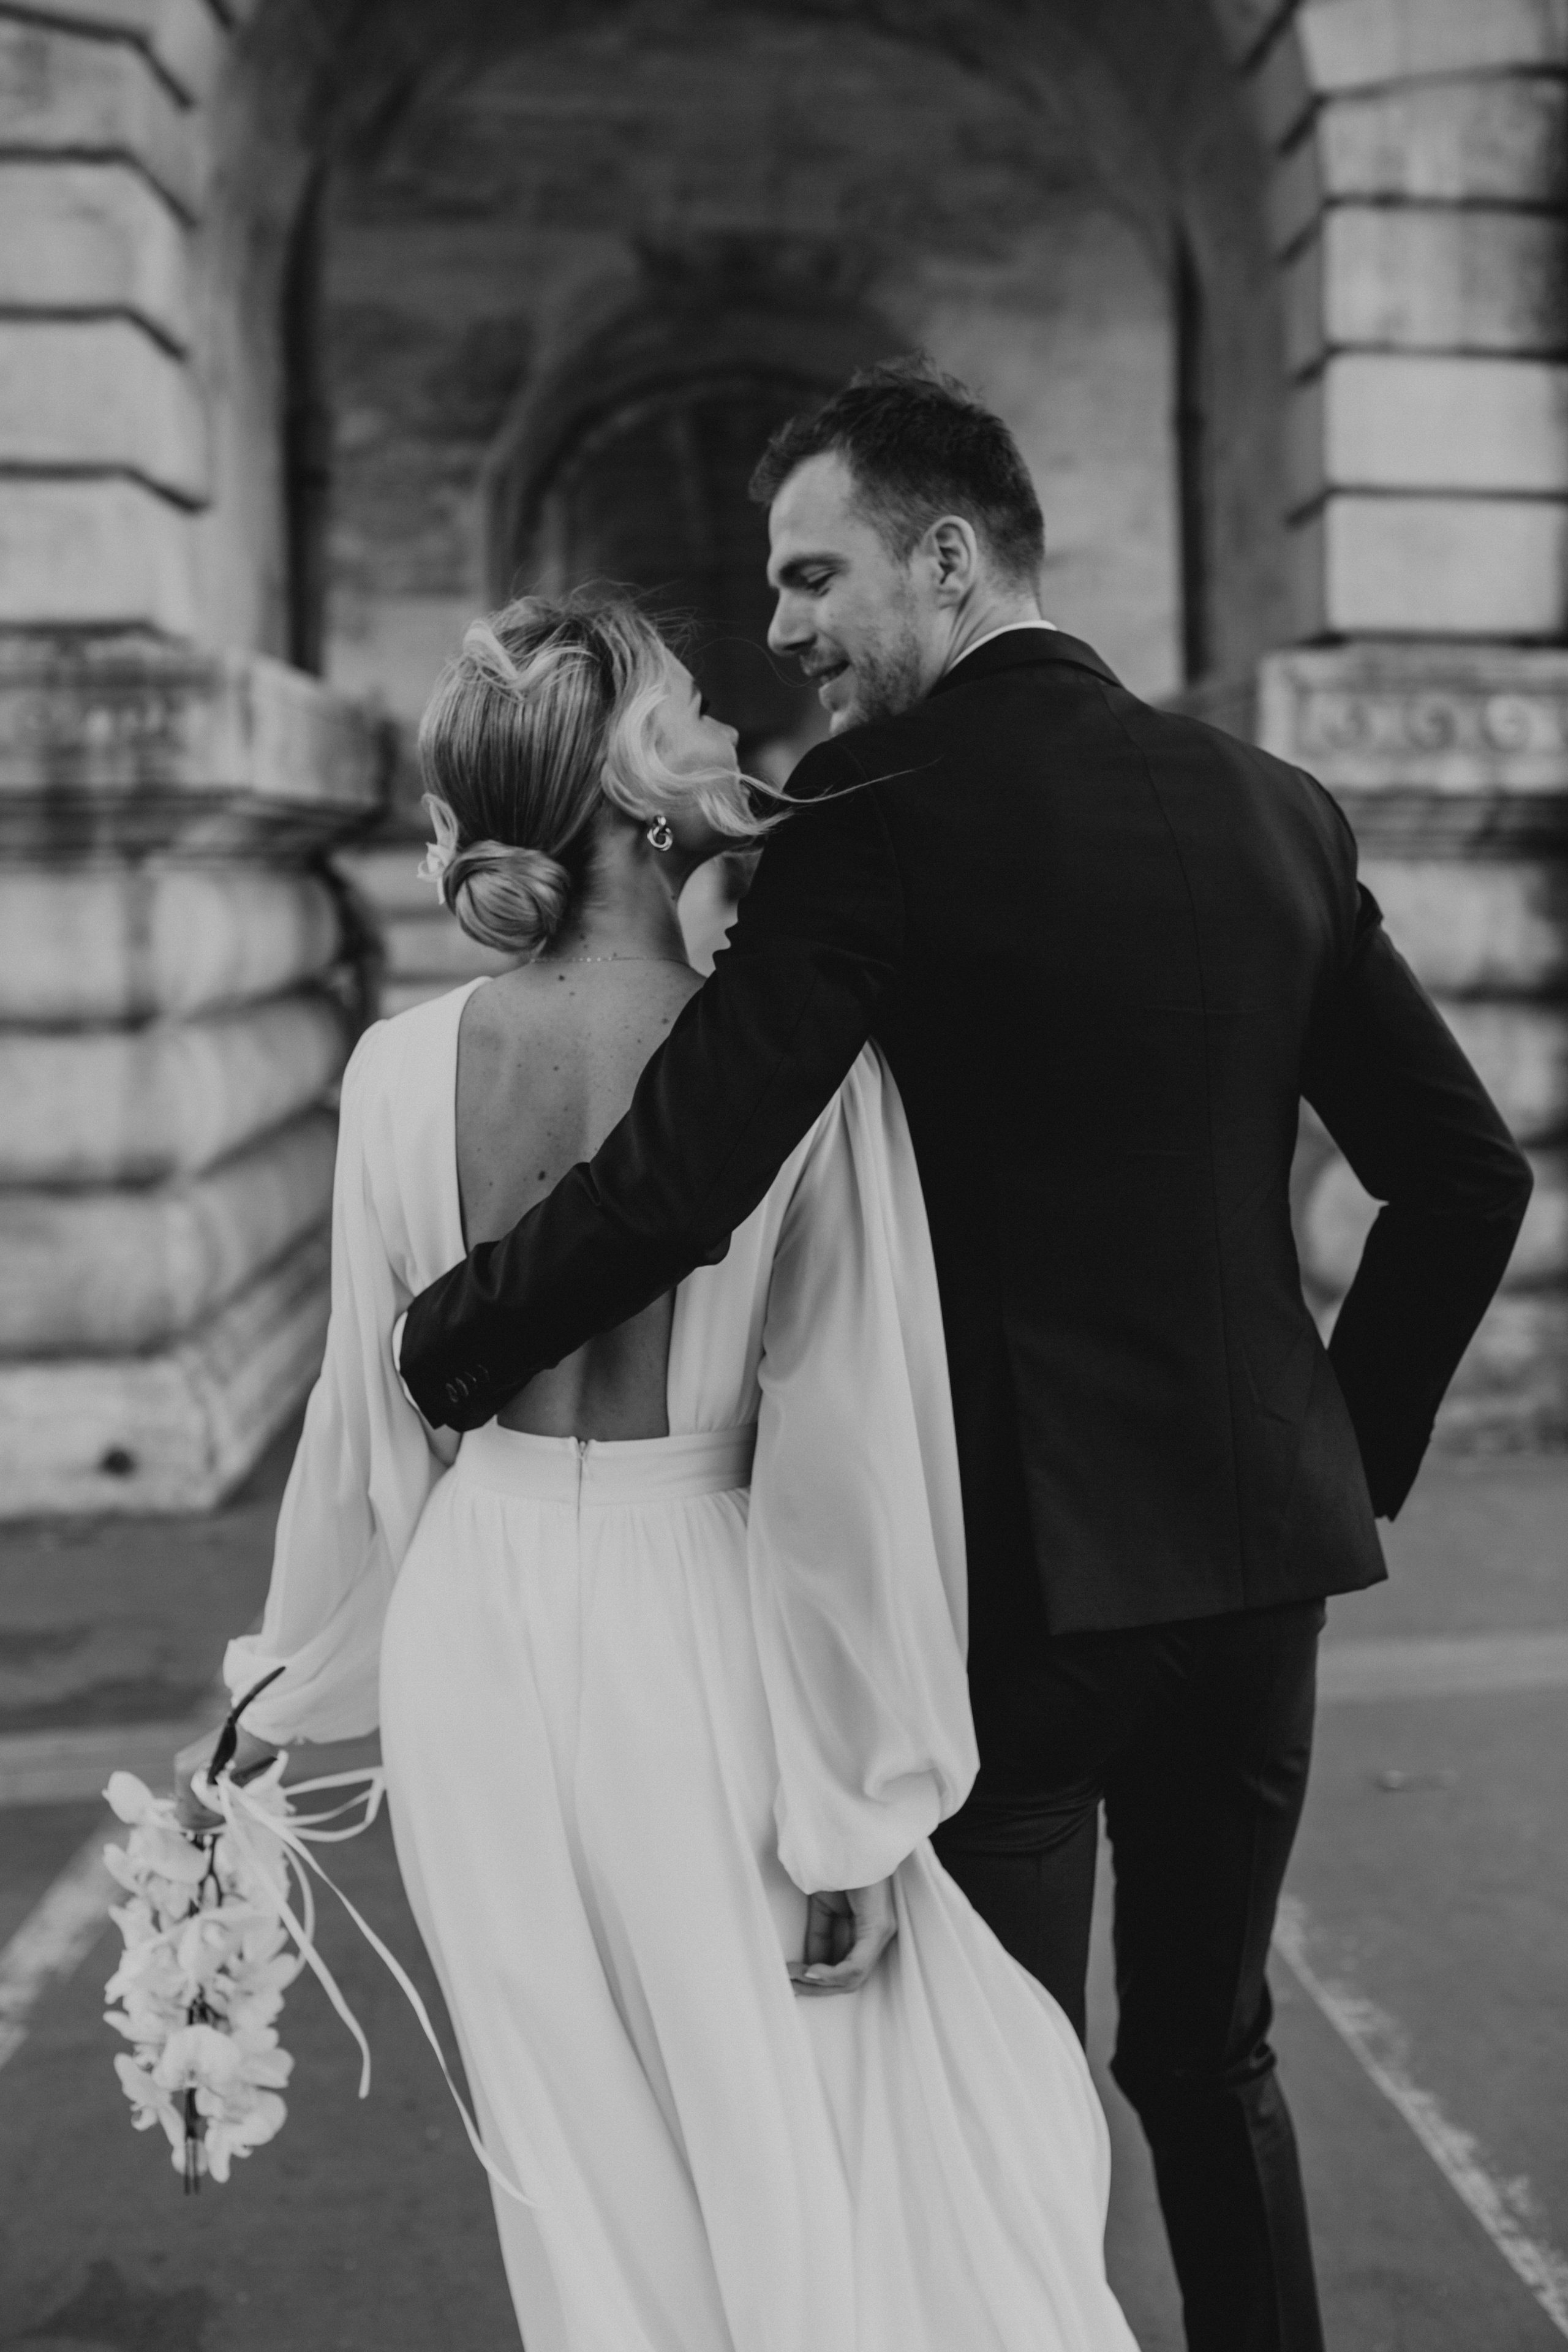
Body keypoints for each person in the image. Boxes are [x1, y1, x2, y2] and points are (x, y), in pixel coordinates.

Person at [396, 360, 1535, 2352]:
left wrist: (454, 1333)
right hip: (1266, 1563)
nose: (785, 631)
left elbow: (688, 1181)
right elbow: (1467, 1179)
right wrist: (1345, 1459)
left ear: (947, 554)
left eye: (814, 575)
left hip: (1015, 1591)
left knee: (983, 2108)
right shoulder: (1273, 807)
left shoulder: (874, 814)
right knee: (1214, 2061)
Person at [178, 592, 1139, 2352]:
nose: (733, 730)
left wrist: (283, 1686)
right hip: (704, 1619)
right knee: (806, 2129)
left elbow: (362, 1435)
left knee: (584, 2185)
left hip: (481, 1629)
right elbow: (854, 1451)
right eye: (695, 707)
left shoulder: (397, 1075)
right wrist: (858, 1806)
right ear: (633, 784)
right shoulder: (794, 1070)